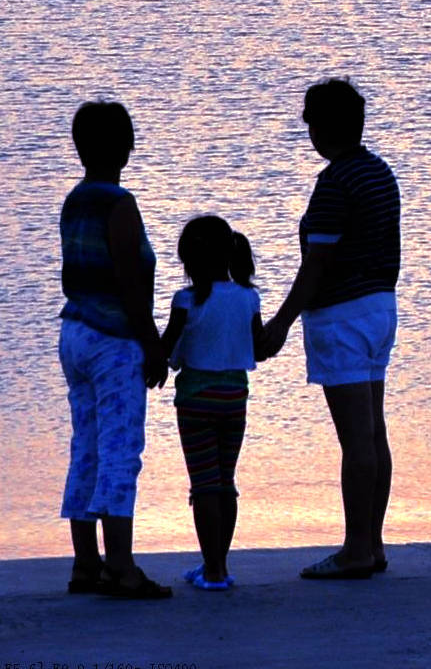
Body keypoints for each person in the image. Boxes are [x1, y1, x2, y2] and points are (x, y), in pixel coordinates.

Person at [261, 78, 401, 580]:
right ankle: (373, 542)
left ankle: (356, 549)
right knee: (374, 433)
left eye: (310, 121)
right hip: (380, 309)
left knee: (356, 440)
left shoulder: (335, 183)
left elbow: (316, 266)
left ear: (321, 126)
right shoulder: (378, 173)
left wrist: (280, 321)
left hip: (342, 316)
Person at [56, 99, 171, 599]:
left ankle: (86, 563)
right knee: (122, 449)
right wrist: (153, 345)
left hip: (75, 332)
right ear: (126, 146)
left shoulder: (75, 200)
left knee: (86, 446)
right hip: (112, 341)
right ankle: (121, 566)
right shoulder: (119, 205)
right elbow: (130, 283)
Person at [155, 216, 265, 590]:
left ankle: (213, 571)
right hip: (235, 397)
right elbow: (260, 348)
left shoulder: (185, 301)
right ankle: (218, 565)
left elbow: (165, 350)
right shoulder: (248, 297)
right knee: (225, 482)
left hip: (195, 401)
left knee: (203, 484)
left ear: (188, 261)